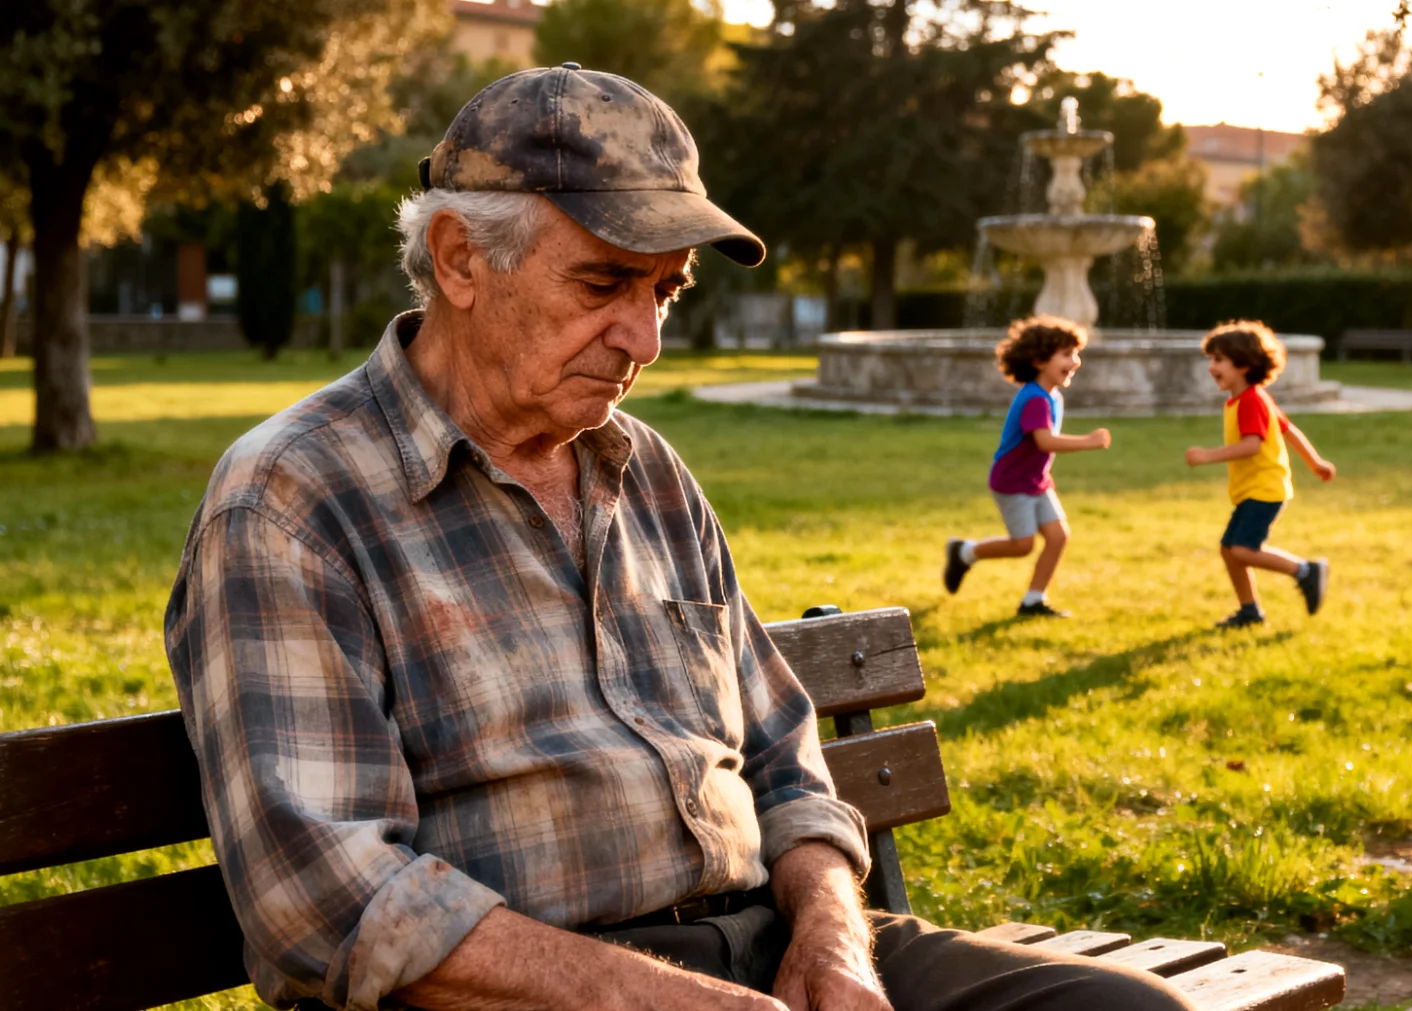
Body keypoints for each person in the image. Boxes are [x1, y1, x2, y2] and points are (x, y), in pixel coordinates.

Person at [163, 65, 1187, 1011]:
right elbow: (325, 899)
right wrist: (664, 1000)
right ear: (459, 259)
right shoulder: (295, 499)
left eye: (666, 292)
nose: (645, 342)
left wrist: (830, 936)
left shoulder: (641, 467)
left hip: (773, 941)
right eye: (604, 285)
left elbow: (786, 760)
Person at [942, 316, 1111, 618]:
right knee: (1022, 545)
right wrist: (1089, 441)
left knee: (1058, 537)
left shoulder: (1052, 396)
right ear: (1038, 360)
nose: (1075, 361)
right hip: (1012, 482)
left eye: (1076, 353)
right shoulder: (1035, 399)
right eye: (1066, 354)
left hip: (1035, 480)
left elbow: (1039, 449)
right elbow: (1045, 441)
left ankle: (1033, 601)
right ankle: (964, 552)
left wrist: (1045, 475)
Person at [1184, 320, 1337, 628]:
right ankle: (1249, 611)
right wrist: (1315, 461)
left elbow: (1252, 445)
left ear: (1243, 364)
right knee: (1229, 550)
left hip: (1265, 489)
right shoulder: (1249, 398)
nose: (1211, 367)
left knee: (1242, 549)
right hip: (1255, 488)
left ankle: (1306, 571)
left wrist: (1207, 455)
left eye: (1218, 360)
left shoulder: (1251, 400)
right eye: (1210, 360)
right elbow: (1288, 430)